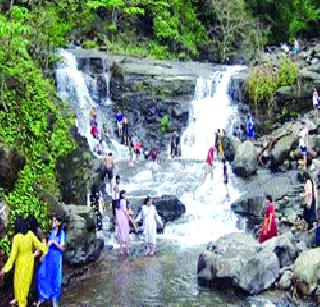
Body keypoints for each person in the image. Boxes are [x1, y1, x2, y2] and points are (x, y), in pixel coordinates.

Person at [0, 216, 47, 307]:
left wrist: (5, 269)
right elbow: (40, 246)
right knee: (25, 287)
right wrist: (44, 251)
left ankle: (20, 302)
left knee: (19, 286)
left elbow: (12, 257)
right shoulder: (30, 234)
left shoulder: (17, 238)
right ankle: (21, 302)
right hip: (29, 263)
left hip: (20, 265)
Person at [37, 215, 66, 307]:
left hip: (56, 257)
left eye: (54, 221)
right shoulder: (50, 232)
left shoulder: (61, 233)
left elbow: (62, 248)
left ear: (59, 223)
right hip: (48, 256)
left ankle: (54, 298)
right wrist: (43, 255)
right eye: (52, 221)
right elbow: (46, 246)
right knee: (42, 274)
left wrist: (54, 243)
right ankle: (43, 296)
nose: (52, 223)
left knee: (55, 277)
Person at [27, 215, 46, 304]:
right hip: (30, 258)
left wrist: (40, 253)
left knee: (37, 277)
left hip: (37, 258)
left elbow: (44, 242)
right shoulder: (28, 232)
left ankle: (38, 298)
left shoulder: (38, 231)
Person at [116, 190, 130, 255]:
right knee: (126, 234)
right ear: (122, 194)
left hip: (119, 218)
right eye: (125, 194)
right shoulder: (123, 201)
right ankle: (127, 250)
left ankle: (121, 250)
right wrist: (129, 216)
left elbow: (117, 211)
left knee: (120, 234)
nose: (126, 195)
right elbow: (125, 211)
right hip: (124, 218)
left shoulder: (118, 201)